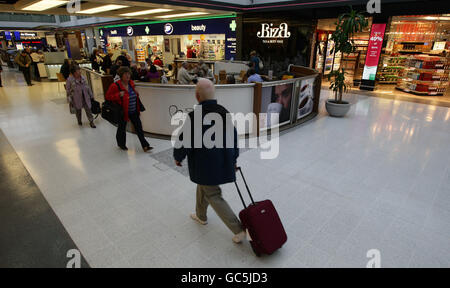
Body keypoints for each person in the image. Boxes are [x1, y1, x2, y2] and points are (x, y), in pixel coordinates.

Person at [173, 78, 246, 244]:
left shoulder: (195, 116)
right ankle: (201, 215)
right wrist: (234, 159)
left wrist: (178, 156)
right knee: (204, 185)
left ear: (197, 97)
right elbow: (233, 138)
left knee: (213, 193)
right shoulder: (224, 112)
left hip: (205, 164)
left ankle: (239, 229)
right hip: (222, 161)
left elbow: (184, 140)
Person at [105, 67, 153, 152]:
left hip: (134, 111)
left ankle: (145, 145)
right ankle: (121, 144)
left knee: (139, 128)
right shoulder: (115, 86)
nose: (128, 75)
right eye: (125, 74)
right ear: (121, 75)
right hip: (123, 112)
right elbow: (108, 97)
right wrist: (118, 95)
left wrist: (136, 93)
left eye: (129, 73)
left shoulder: (131, 83)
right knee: (122, 128)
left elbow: (132, 96)